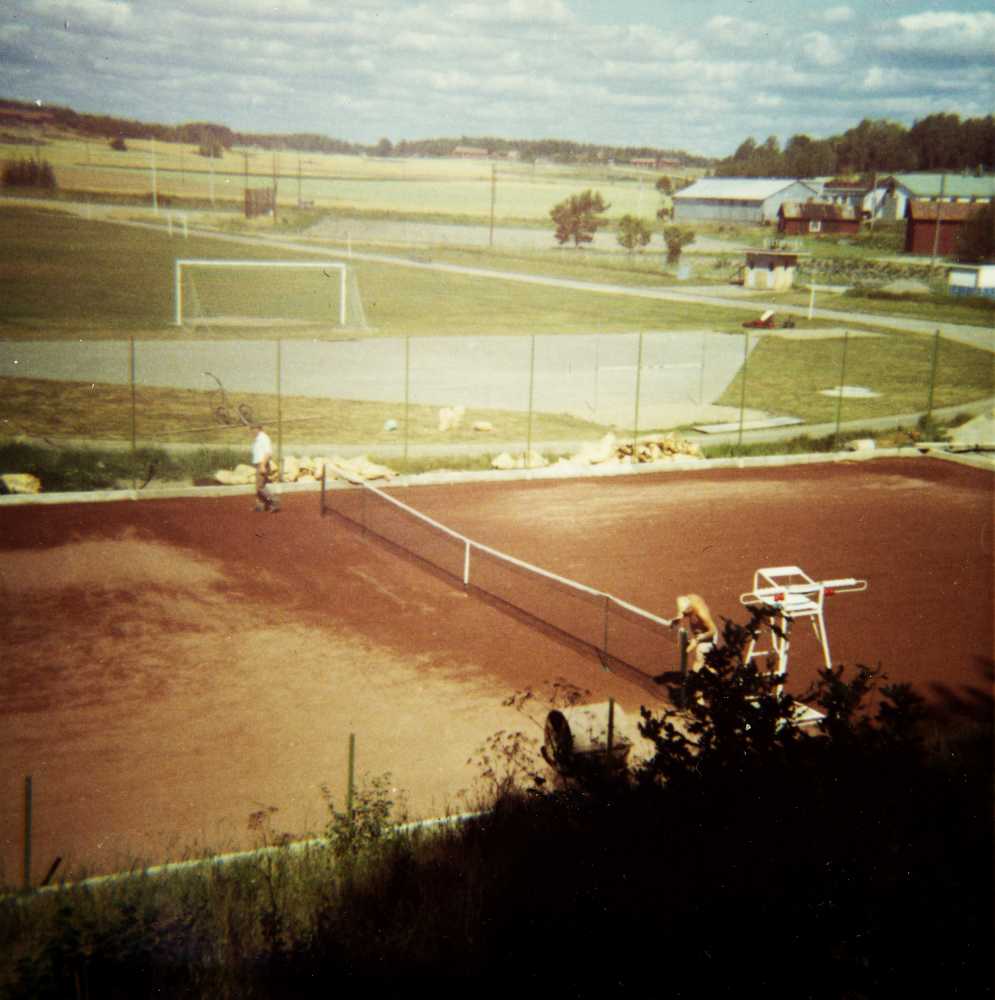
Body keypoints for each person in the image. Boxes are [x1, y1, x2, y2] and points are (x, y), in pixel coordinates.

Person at [671, 594, 717, 671]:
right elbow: (682, 613)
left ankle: (696, 680)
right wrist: (678, 618)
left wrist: (696, 640)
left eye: (684, 611)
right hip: (699, 635)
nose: (683, 613)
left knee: (698, 664)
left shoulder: (701, 613)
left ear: (689, 608)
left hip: (707, 636)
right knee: (708, 665)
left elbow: (713, 631)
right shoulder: (690, 598)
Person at [250, 423, 280, 513]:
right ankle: (261, 506)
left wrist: (263, 466)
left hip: (262, 465)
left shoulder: (263, 438)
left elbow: (267, 453)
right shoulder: (258, 438)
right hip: (259, 464)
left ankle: (274, 501)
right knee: (259, 485)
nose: (252, 432)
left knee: (261, 486)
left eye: (253, 429)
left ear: (257, 429)